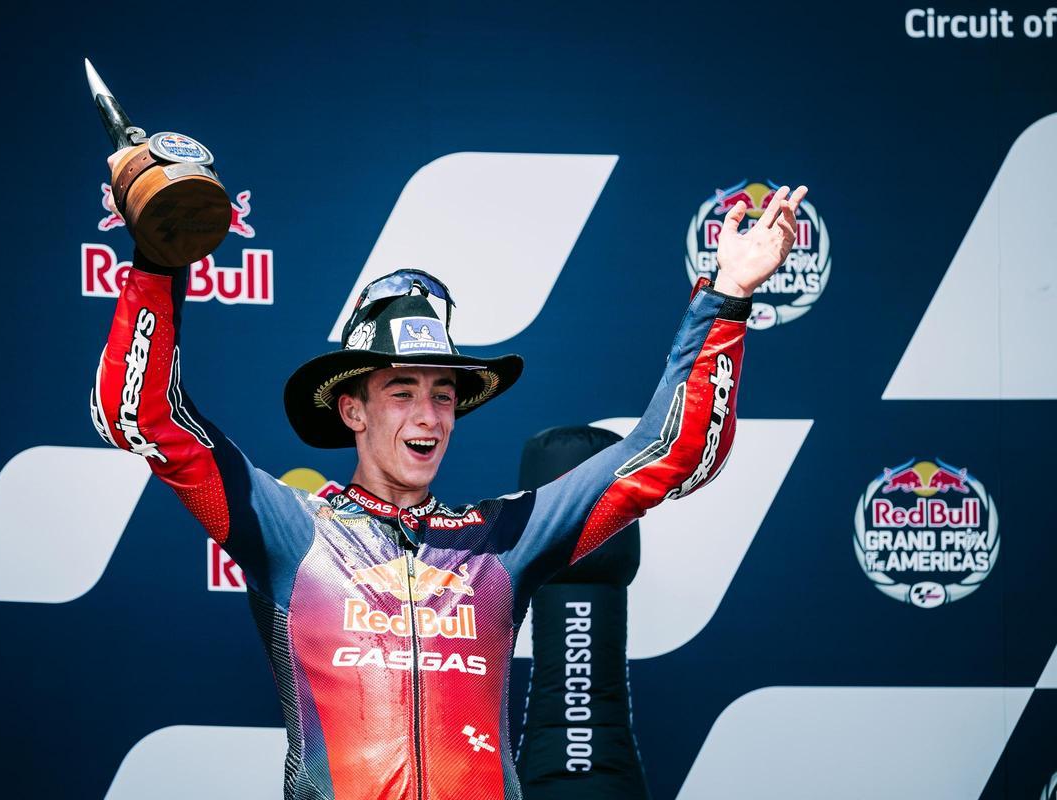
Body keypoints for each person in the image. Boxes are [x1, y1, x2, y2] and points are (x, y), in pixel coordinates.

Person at [91, 149, 805, 800]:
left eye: (443, 393)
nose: (428, 415)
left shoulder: (503, 539)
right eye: (402, 391)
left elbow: (673, 453)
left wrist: (727, 295)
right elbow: (145, 419)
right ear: (353, 410)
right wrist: (157, 263)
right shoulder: (292, 531)